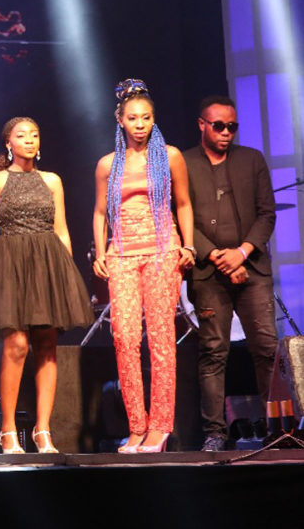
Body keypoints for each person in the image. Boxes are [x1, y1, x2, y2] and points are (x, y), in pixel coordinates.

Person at [0, 117, 93, 454]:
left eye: (34, 135)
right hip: (11, 266)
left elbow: (62, 231)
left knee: (46, 345)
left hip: (48, 265)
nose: (29, 140)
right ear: (8, 143)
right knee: (15, 345)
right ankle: (8, 430)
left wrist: (66, 276)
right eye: (21, 135)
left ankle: (43, 431)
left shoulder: (52, 180)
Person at [92, 79, 195, 453]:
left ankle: (160, 426)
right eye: (133, 118)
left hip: (162, 251)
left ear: (154, 119)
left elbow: (183, 203)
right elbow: (100, 211)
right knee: (124, 337)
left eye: (146, 118)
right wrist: (101, 252)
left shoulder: (170, 156)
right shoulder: (108, 164)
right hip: (121, 254)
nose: (140, 124)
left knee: (162, 338)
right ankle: (136, 425)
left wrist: (189, 245)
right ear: (119, 119)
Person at [184, 95, 277, 452]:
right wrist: (214, 254)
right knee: (213, 352)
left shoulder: (252, 159)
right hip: (208, 272)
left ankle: (276, 428)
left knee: (266, 348)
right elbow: (179, 216)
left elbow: (266, 214)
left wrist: (241, 253)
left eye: (232, 126)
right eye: (219, 126)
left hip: (251, 267)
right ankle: (215, 433)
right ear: (202, 125)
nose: (226, 132)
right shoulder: (184, 163)